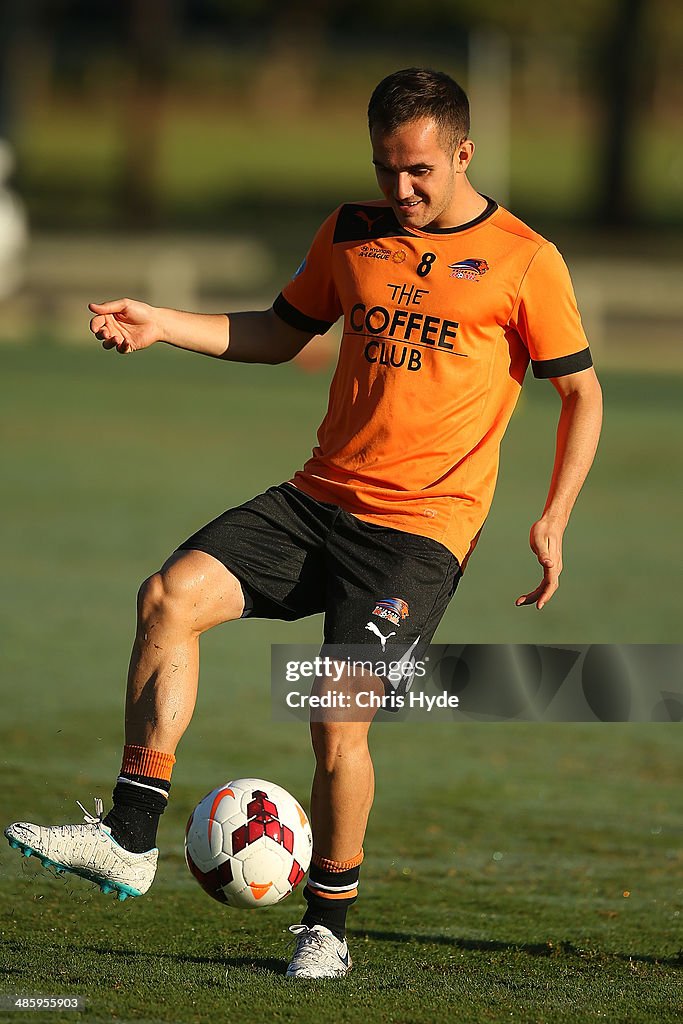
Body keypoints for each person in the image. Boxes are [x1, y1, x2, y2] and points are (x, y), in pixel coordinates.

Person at [4, 68, 602, 978]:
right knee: (168, 598)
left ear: (463, 153)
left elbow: (580, 394)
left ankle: (327, 925)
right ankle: (129, 836)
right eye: (383, 169)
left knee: (333, 716)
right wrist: (161, 321)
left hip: (419, 533)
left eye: (418, 172)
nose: (398, 191)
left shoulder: (525, 259)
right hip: (317, 499)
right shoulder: (350, 232)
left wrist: (553, 517)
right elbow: (281, 333)